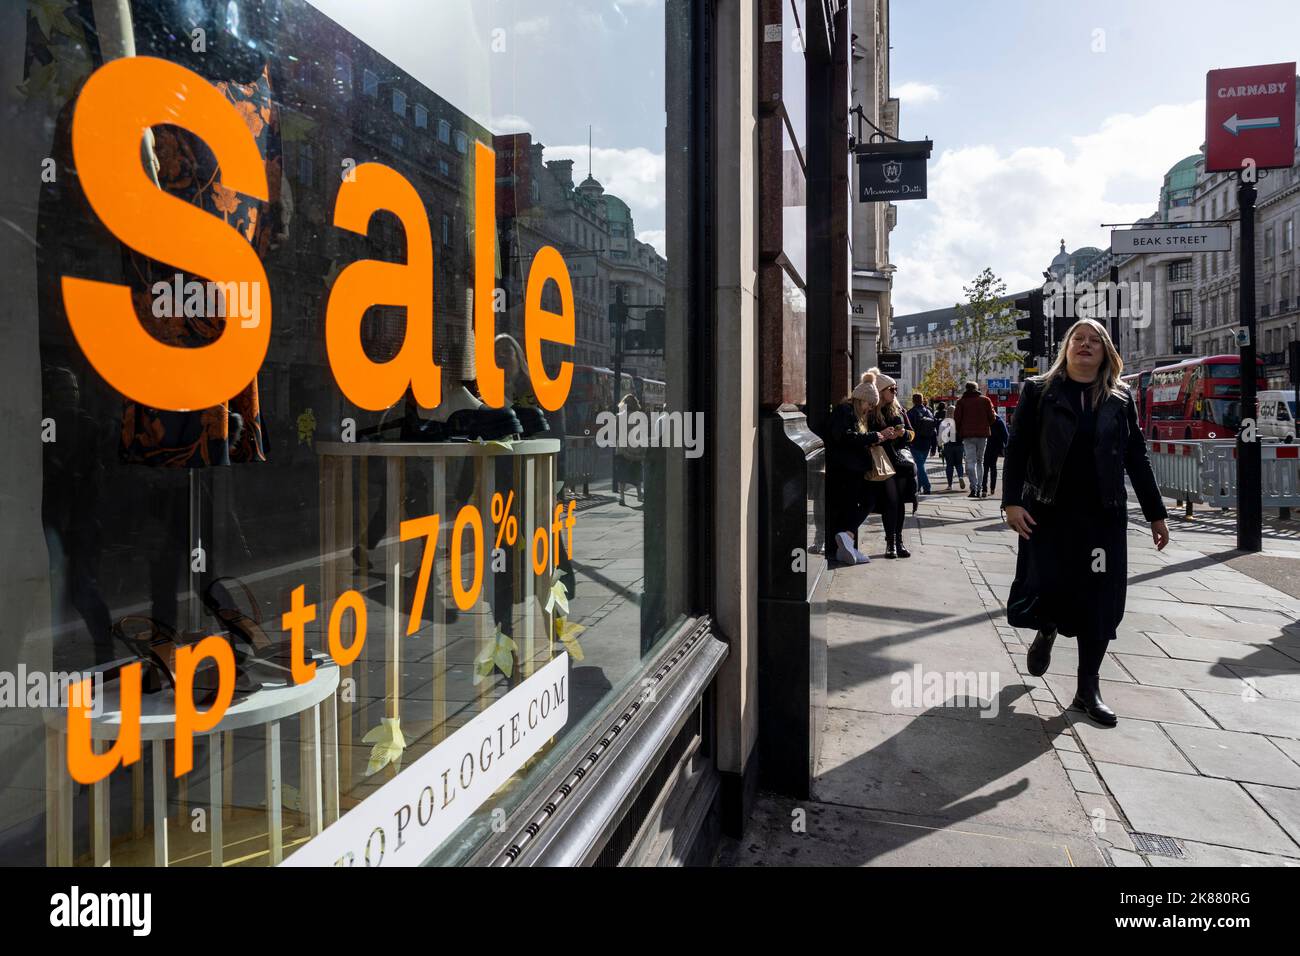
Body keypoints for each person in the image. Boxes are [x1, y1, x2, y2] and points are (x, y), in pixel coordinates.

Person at [1002, 318, 1170, 727]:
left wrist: (1155, 513)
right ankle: (1046, 629)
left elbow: (1137, 457)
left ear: (1106, 351)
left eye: (1095, 340)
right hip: (1048, 511)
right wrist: (1010, 503)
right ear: (1067, 347)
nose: (1086, 345)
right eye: (1078, 338)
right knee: (1048, 590)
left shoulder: (1120, 398)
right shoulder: (1039, 391)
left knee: (1099, 600)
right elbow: (1018, 446)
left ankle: (1086, 690)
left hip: (1101, 517)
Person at [825, 375, 888, 564]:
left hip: (851, 468)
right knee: (864, 502)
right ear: (862, 399)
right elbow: (844, 437)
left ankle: (847, 541)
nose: (870, 408)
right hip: (845, 469)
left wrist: (874, 437)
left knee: (861, 503)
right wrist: (873, 436)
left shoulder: (852, 413)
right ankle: (846, 539)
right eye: (869, 404)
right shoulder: (845, 411)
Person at [864, 369, 915, 558]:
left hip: (898, 460)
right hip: (881, 461)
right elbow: (865, 435)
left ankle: (899, 541)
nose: (894, 392)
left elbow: (911, 434)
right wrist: (881, 435)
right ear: (880, 390)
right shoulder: (870, 412)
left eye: (895, 389)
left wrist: (902, 434)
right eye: (891, 389)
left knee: (899, 502)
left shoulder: (899, 409)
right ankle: (890, 542)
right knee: (890, 501)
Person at [955, 380, 996, 499]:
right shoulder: (985, 400)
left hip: (967, 436)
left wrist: (961, 430)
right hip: (982, 435)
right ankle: (979, 486)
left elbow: (957, 420)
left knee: (970, 462)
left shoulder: (961, 402)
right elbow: (992, 417)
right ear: (976, 388)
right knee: (980, 461)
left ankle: (974, 488)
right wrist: (985, 424)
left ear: (966, 389)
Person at [906, 391, 936, 495]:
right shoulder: (929, 412)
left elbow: (908, 430)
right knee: (921, 465)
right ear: (922, 400)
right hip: (927, 443)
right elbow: (934, 431)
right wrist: (934, 447)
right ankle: (918, 487)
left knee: (919, 466)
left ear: (913, 401)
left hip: (915, 443)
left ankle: (927, 487)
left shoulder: (910, 413)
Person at [982, 410, 1009, 496]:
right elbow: (1006, 436)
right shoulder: (999, 421)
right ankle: (992, 488)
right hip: (996, 447)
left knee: (985, 467)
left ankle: (984, 489)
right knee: (993, 467)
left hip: (987, 446)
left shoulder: (986, 420)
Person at [938, 407, 965, 490]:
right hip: (959, 445)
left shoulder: (944, 422)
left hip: (948, 446)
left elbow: (940, 436)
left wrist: (939, 445)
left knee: (949, 465)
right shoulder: (960, 421)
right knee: (959, 463)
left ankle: (950, 485)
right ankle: (960, 476)